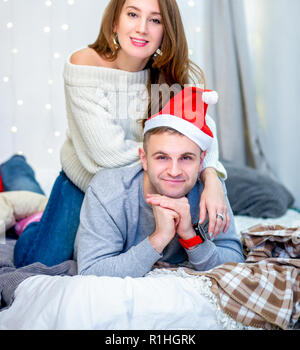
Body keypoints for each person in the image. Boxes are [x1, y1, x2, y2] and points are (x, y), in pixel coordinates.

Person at [14, 0, 229, 268]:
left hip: (134, 187)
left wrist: (211, 176)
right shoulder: (85, 64)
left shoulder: (166, 76)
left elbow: (203, 128)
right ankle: (29, 214)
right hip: (83, 182)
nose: (142, 28)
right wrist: (168, 154)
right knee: (39, 264)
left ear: (166, 32)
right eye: (132, 14)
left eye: (155, 20)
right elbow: (106, 154)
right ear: (115, 22)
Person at [76, 87, 244, 278]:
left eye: (186, 158)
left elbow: (235, 261)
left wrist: (191, 237)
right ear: (144, 159)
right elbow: (91, 271)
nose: (174, 171)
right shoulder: (108, 191)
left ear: (202, 160)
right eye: (162, 157)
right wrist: (159, 238)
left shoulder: (211, 192)